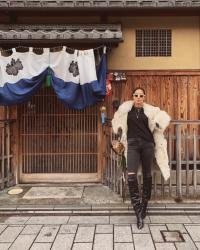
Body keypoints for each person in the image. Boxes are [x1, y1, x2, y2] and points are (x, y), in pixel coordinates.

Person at [112, 87, 171, 229]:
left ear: (144, 97)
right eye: (136, 95)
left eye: (141, 95)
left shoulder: (150, 111)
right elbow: (117, 122)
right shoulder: (126, 110)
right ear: (132, 97)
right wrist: (119, 128)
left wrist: (157, 123)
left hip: (147, 145)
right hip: (132, 145)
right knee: (131, 176)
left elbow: (163, 118)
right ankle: (138, 211)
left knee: (147, 175)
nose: (138, 98)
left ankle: (144, 205)